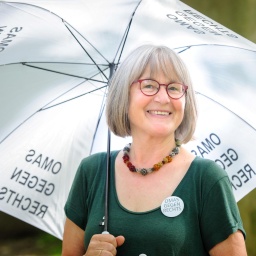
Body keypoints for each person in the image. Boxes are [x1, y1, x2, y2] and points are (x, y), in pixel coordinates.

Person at [62, 45, 247, 255]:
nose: (163, 98)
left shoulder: (207, 179)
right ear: (124, 95)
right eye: (149, 86)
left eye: (174, 88)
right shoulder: (92, 171)